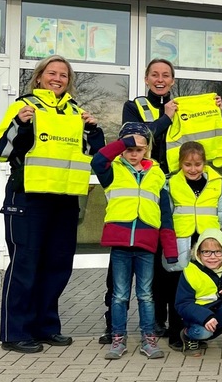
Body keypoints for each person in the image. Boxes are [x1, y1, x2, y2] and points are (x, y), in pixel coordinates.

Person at [0, 55, 105, 353]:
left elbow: (95, 155)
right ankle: (15, 333)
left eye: (63, 75)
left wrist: (93, 130)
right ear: (39, 77)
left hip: (65, 200)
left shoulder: (76, 112)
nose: (57, 78)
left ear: (69, 81)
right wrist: (19, 124)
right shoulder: (24, 107)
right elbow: (1, 150)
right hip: (28, 198)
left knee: (57, 266)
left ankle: (45, 327)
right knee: (25, 265)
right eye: (51, 73)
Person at [116, 58, 222, 347]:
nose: (160, 79)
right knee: (151, 263)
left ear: (173, 81)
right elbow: (135, 138)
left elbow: (201, 142)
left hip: (178, 186)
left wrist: (214, 112)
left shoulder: (184, 106)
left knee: (171, 262)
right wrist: (165, 117)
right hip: (147, 185)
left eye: (166, 75)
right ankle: (121, 327)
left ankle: (174, 321)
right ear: (146, 78)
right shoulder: (134, 106)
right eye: (154, 75)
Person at [91, 122, 177, 360]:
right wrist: (122, 143)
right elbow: (96, 161)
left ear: (146, 150)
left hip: (146, 245)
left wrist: (170, 250)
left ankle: (148, 339)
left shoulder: (157, 175)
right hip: (120, 244)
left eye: (138, 148)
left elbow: (166, 216)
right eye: (128, 147)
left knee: (146, 294)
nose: (133, 152)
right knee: (119, 294)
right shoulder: (112, 170)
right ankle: (118, 338)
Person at [166, 141, 222, 350]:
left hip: (205, 244)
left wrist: (212, 235)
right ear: (180, 165)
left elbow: (221, 214)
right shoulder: (171, 184)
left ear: (204, 163)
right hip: (181, 241)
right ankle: (176, 333)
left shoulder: (216, 183)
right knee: (179, 291)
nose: (193, 169)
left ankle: (197, 332)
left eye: (198, 164)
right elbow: (168, 213)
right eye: (187, 165)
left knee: (203, 289)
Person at [176, 229, 222, 362]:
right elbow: (182, 304)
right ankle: (188, 336)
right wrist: (205, 317)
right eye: (206, 252)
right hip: (199, 320)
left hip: (220, 317)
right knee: (203, 333)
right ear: (198, 253)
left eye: (217, 252)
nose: (212, 256)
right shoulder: (190, 272)